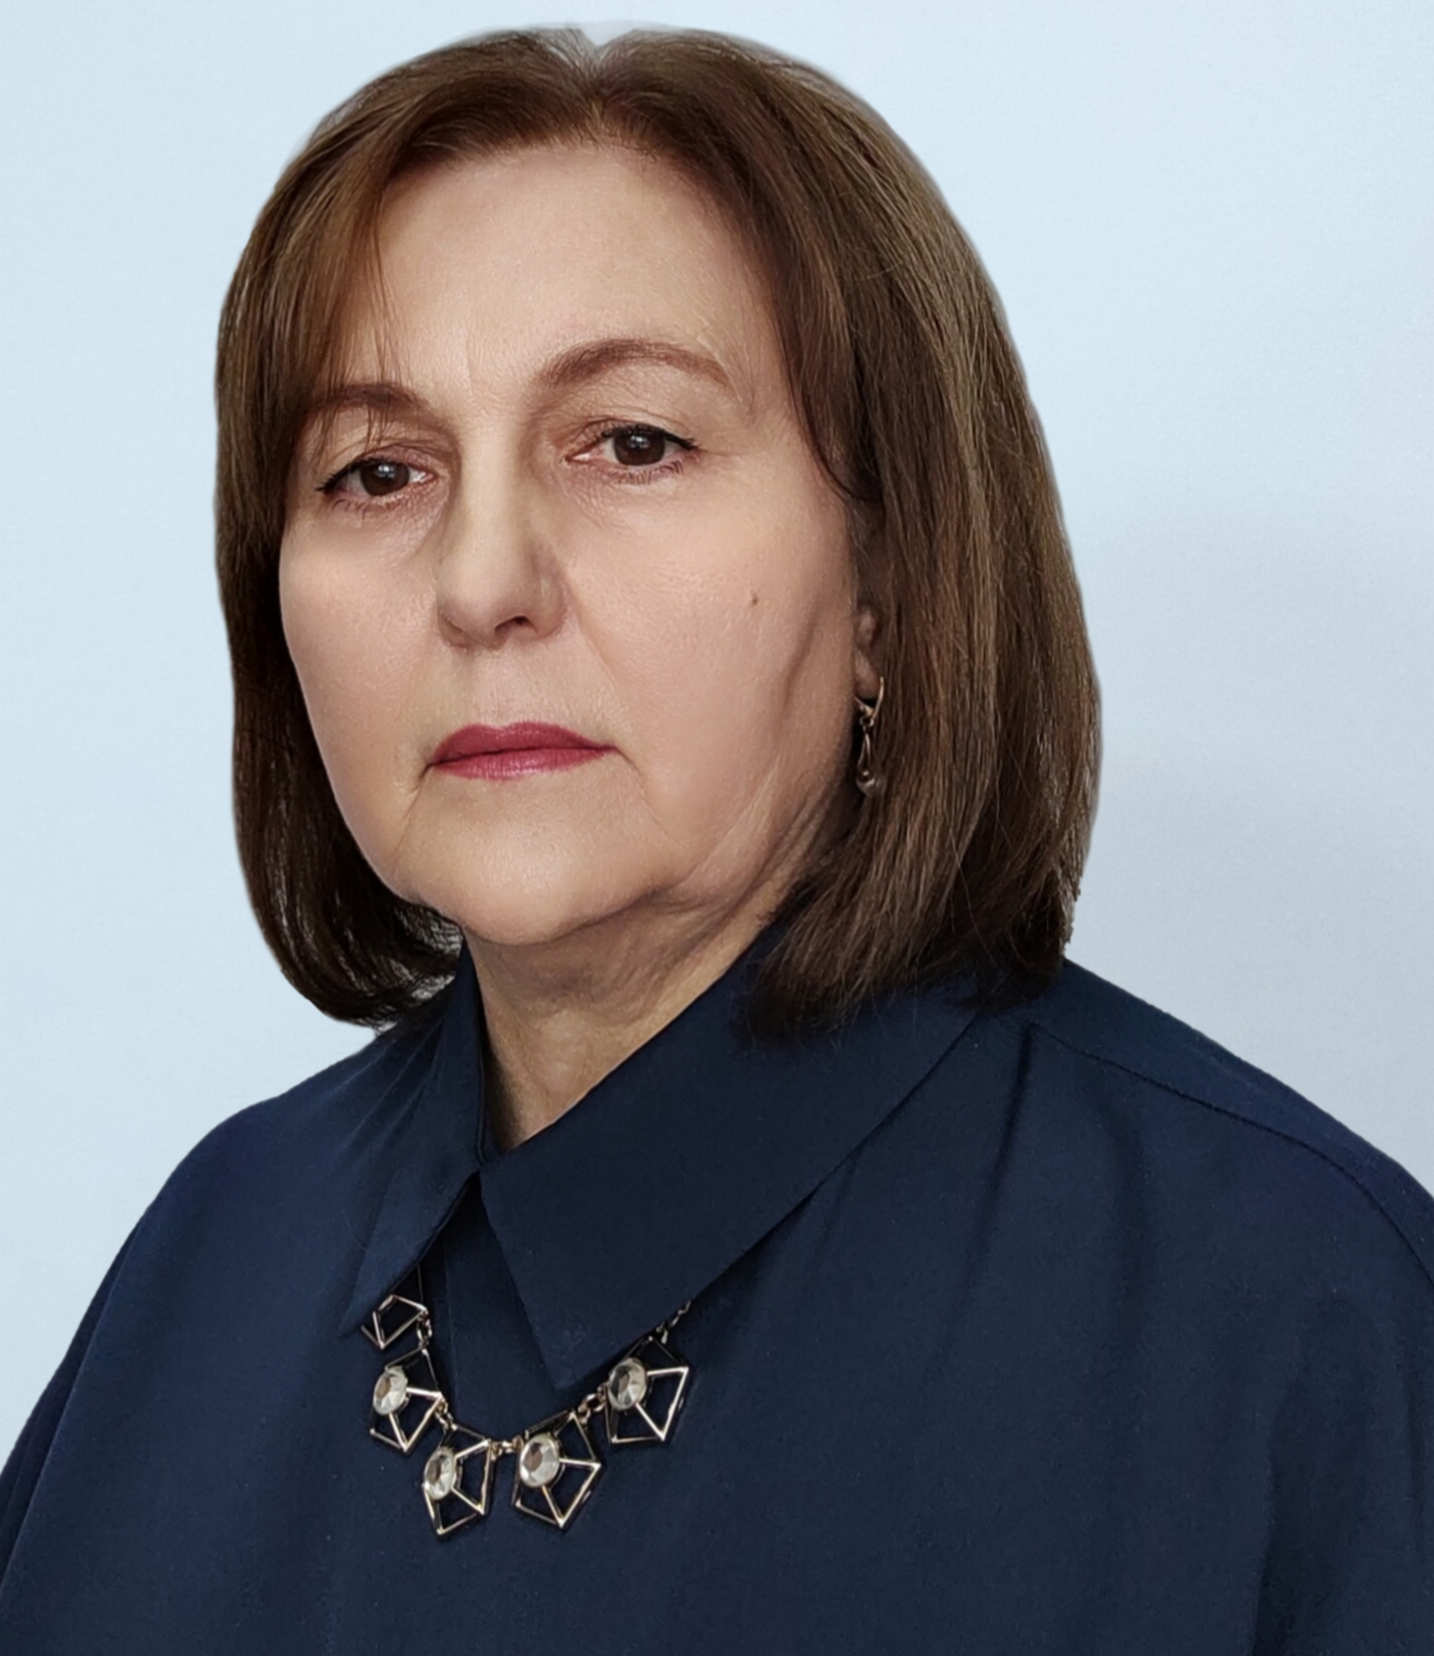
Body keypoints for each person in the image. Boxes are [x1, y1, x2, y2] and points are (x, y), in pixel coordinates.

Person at [1, 25, 1429, 1653]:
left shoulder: (1288, 1316)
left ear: (888, 588)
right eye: (377, 472)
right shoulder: (216, 1248)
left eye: (634, 443)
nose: (481, 582)